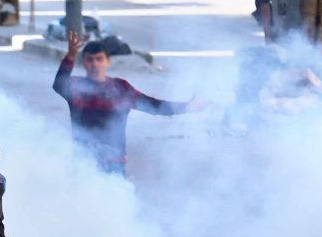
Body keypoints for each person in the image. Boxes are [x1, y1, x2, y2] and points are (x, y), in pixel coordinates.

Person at [53, 31, 207, 175]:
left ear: (108, 62)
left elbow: (153, 106)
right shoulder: (75, 87)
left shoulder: (121, 88)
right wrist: (71, 56)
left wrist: (187, 107)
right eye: (90, 60)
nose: (95, 64)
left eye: (99, 59)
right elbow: (59, 84)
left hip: (114, 163)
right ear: (84, 63)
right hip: (84, 162)